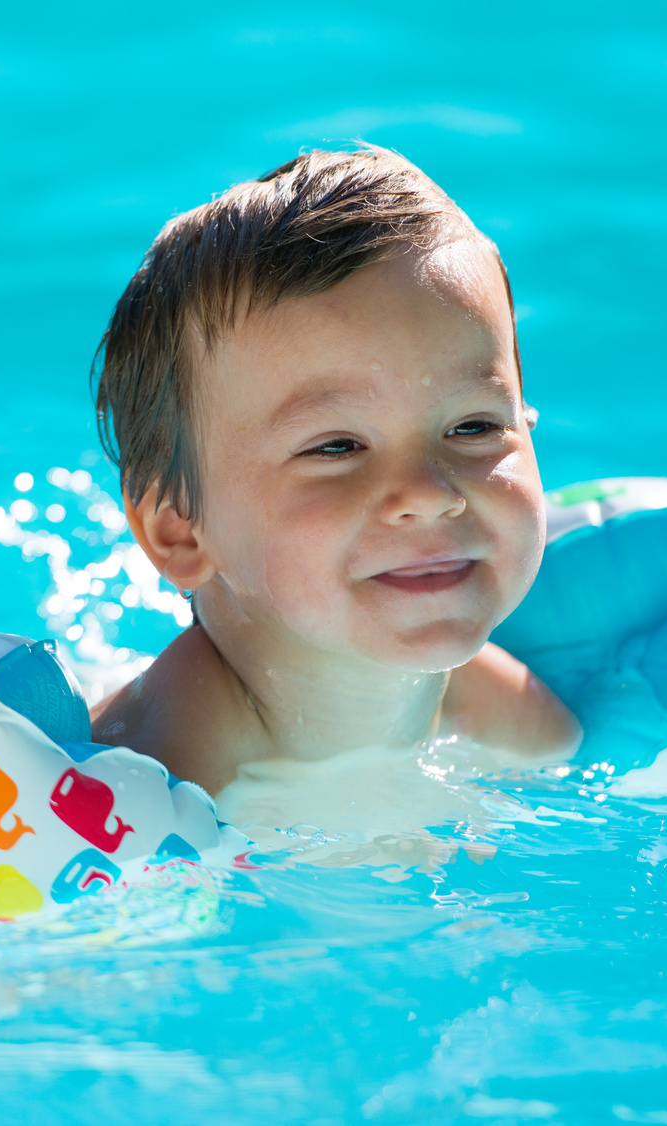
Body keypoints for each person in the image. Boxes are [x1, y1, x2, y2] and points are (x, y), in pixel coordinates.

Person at [89, 147, 580, 798]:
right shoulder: (164, 764)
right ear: (183, 532)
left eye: (473, 428)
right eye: (336, 447)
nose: (428, 497)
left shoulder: (499, 711)